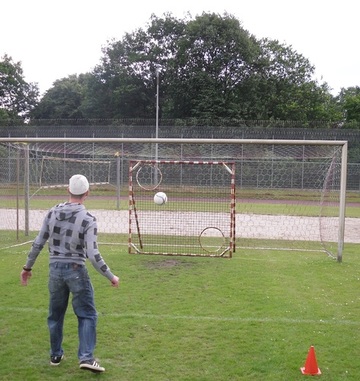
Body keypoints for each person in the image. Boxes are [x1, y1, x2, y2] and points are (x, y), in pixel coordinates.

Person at [20, 174, 119, 373]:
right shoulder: (88, 219)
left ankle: (55, 354)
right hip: (76, 270)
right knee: (88, 314)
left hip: (54, 270)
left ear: (68, 190)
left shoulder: (52, 213)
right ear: (87, 193)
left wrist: (27, 267)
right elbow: (92, 254)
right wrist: (111, 276)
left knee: (55, 315)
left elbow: (38, 242)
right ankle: (87, 358)